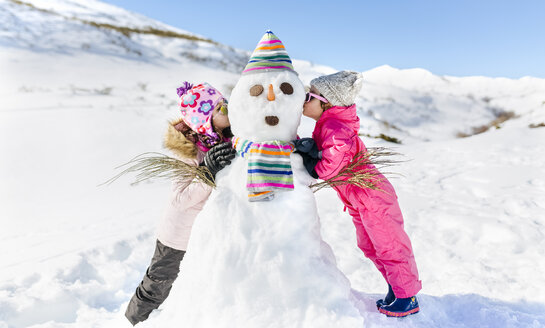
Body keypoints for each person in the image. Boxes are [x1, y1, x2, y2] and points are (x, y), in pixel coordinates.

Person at [295, 71, 422, 318]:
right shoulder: (327, 124)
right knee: (369, 245)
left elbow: (334, 161)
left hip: (372, 196)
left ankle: (407, 297)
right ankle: (397, 287)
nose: (304, 101)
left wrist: (314, 164)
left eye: (309, 96)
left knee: (389, 245)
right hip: (358, 198)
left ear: (327, 103)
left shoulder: (334, 126)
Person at [125, 82, 236, 325]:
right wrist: (207, 171)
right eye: (222, 109)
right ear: (205, 120)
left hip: (203, 232)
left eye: (226, 103)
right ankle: (133, 320)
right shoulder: (188, 152)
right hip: (177, 236)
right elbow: (181, 198)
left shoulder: (223, 140)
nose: (228, 109)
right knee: (157, 284)